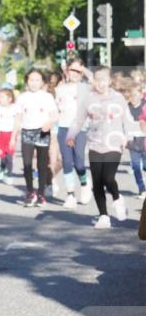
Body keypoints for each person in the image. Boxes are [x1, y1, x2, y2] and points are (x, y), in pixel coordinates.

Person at [69, 67, 136, 229]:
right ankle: (103, 216)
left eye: (104, 79)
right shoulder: (88, 99)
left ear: (109, 81)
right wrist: (70, 135)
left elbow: (127, 118)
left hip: (114, 142)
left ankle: (117, 198)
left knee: (108, 178)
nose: (100, 83)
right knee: (97, 182)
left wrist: (129, 136)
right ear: (94, 81)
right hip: (94, 143)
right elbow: (78, 120)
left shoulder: (118, 97)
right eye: (97, 79)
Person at [14, 70, 59, 208]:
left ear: (42, 82)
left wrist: (49, 123)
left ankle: (41, 194)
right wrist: (13, 135)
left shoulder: (47, 97)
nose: (34, 83)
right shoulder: (22, 97)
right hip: (27, 132)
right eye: (31, 80)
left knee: (42, 164)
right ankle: (29, 192)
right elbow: (18, 117)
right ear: (27, 81)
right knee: (27, 164)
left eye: (37, 80)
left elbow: (55, 115)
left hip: (42, 131)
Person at [55, 60, 92, 208]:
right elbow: (56, 108)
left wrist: (82, 68)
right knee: (66, 161)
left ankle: (84, 183)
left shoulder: (85, 87)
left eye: (78, 71)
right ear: (67, 71)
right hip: (63, 128)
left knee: (79, 161)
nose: (75, 74)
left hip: (80, 128)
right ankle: (70, 194)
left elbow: (96, 81)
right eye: (72, 70)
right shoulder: (60, 89)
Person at [121, 79, 146, 199]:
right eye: (131, 95)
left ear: (141, 95)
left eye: (136, 95)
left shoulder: (145, 105)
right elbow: (123, 124)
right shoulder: (126, 108)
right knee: (136, 166)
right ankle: (142, 189)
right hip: (132, 141)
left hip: (144, 139)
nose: (134, 97)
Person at [0, 89, 18, 183]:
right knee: (3, 156)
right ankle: (2, 168)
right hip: (0, 134)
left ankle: (9, 175)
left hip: (11, 134)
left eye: (2, 97)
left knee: (9, 156)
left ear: (10, 99)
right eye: (0, 97)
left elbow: (18, 121)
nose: (0, 99)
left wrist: (16, 133)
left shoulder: (15, 108)